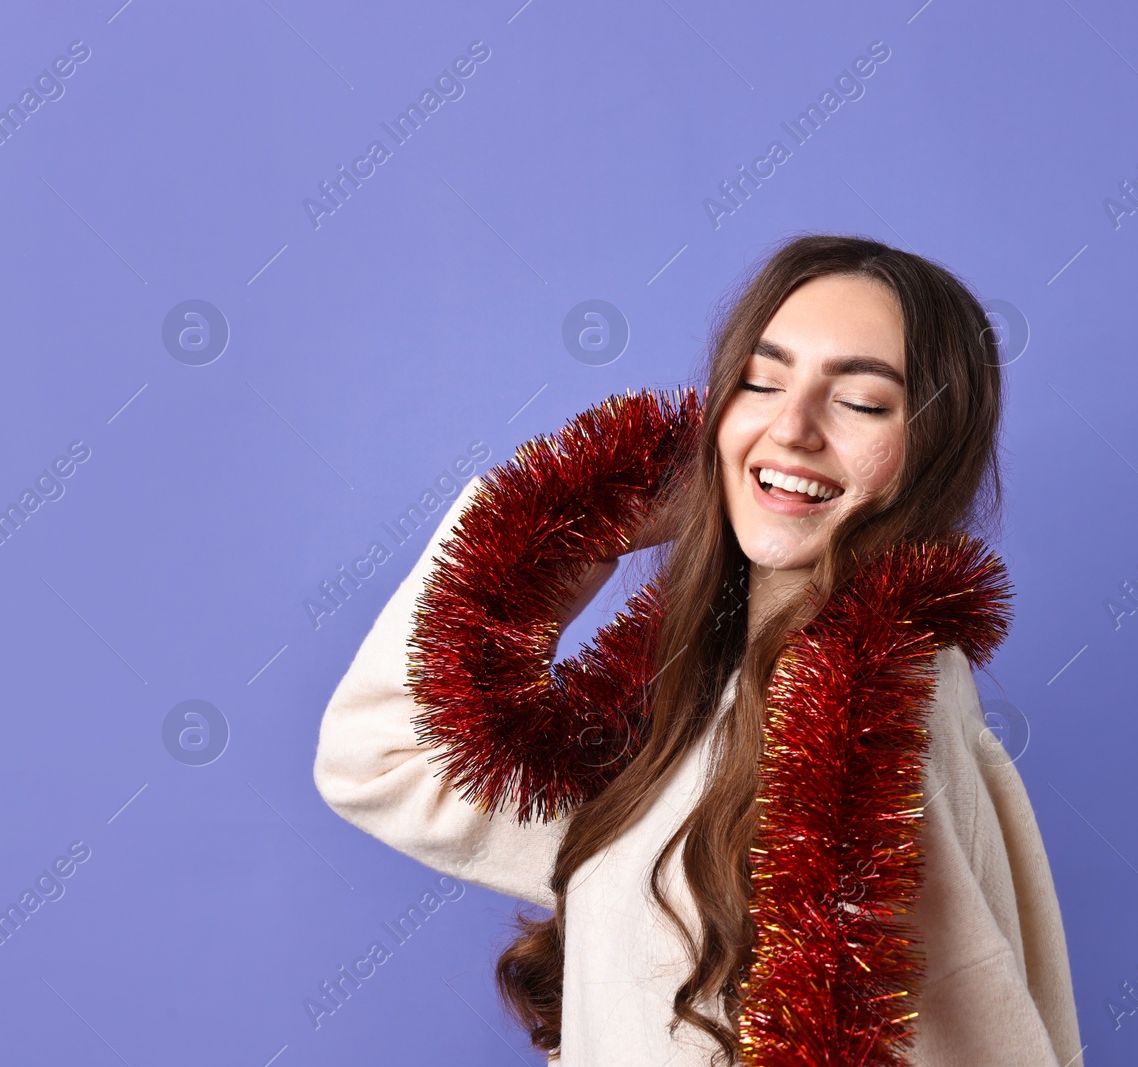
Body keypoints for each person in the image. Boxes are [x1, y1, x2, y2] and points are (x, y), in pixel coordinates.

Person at [313, 233, 1085, 1065]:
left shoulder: (877, 720)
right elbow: (379, 758)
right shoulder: (693, 697)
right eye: (760, 381)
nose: (791, 427)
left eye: (860, 402)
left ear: (931, 454)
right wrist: (558, 523)